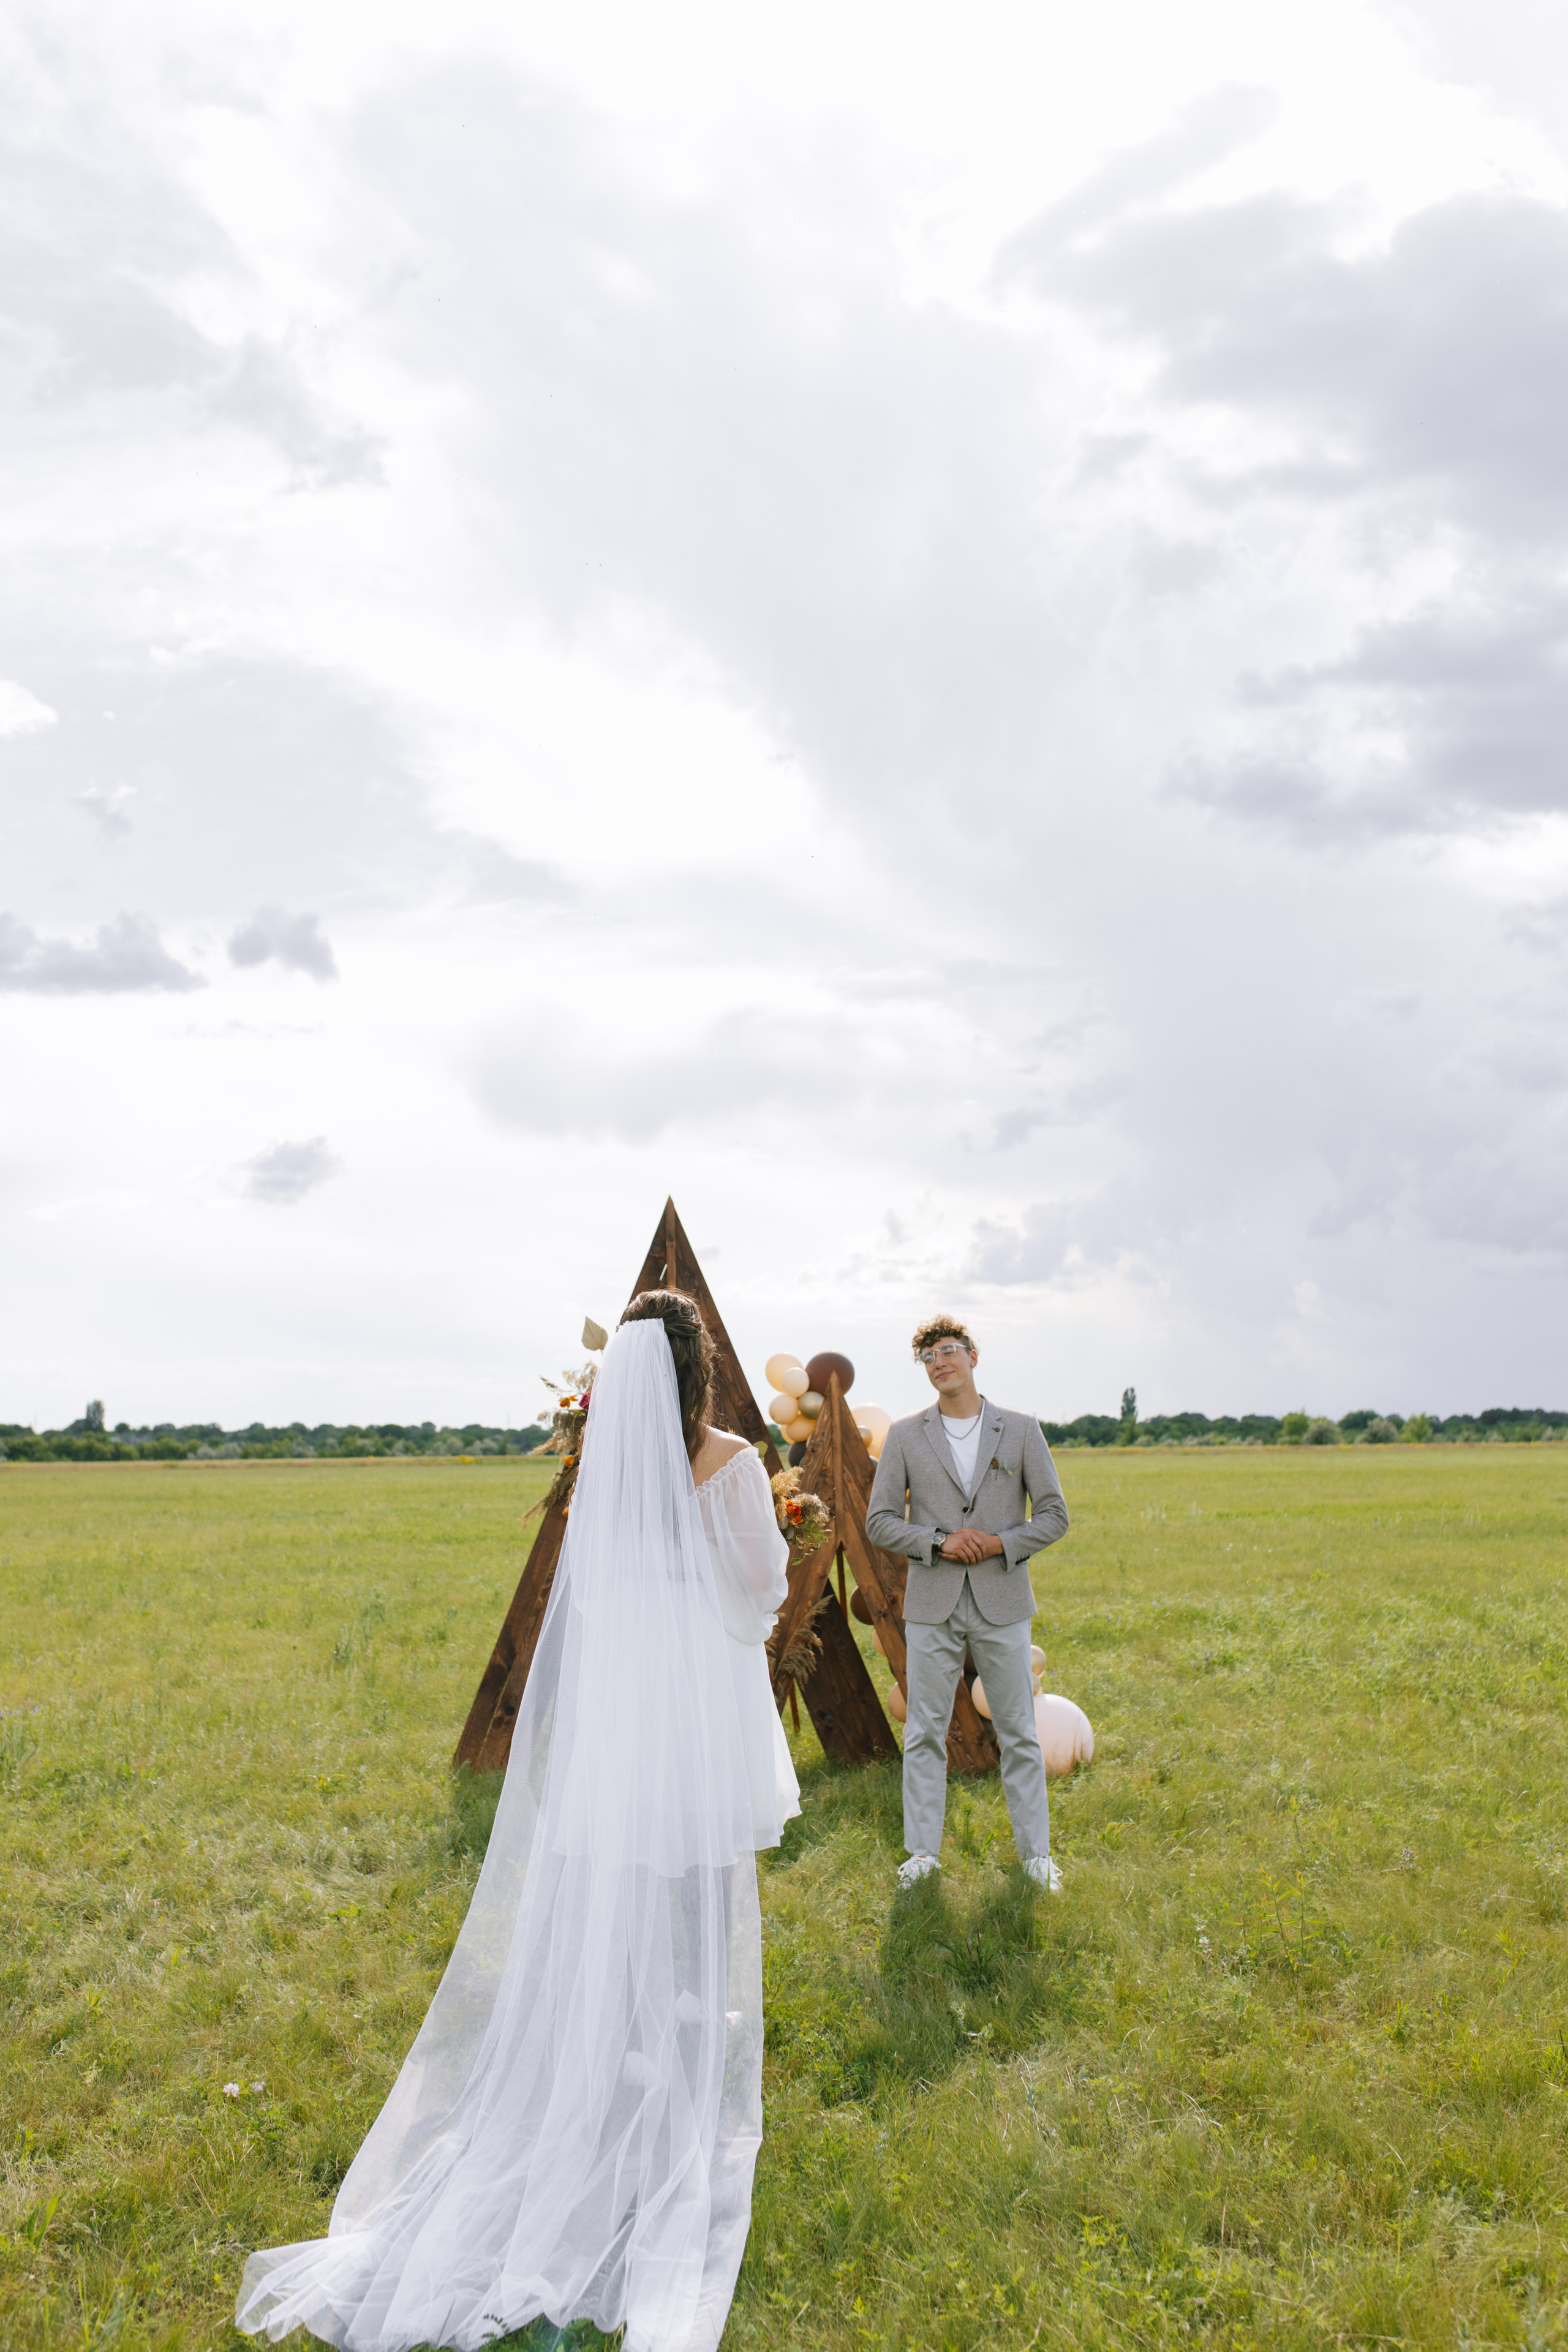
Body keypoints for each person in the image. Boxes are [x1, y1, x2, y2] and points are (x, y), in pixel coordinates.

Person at [235, 1291, 796, 2352]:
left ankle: (615, 2071)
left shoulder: (611, 1474)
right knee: (699, 1906)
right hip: (697, 1728)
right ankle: (677, 2101)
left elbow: (590, 1605)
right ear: (700, 1367)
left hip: (619, 1724)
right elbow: (759, 1592)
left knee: (624, 1902)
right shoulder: (729, 1464)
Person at [866, 1314, 1069, 1893]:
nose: (940, 1363)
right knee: (926, 1731)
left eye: (949, 1351)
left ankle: (1036, 1858)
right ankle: (922, 1857)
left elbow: (1055, 1515)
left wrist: (1002, 1543)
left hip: (1002, 1599)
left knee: (1020, 1732)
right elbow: (879, 1522)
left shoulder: (1022, 1431)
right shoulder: (906, 1436)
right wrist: (936, 1541)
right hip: (933, 1601)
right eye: (929, 1357)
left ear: (973, 1357)